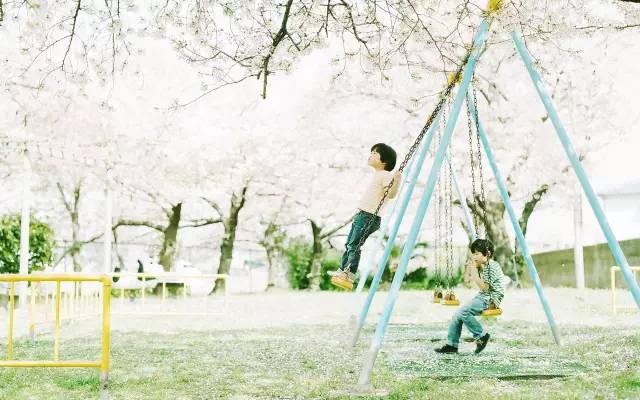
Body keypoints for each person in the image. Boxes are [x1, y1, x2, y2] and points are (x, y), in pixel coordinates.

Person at [328, 143, 402, 290]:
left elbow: (391, 194)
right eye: (372, 152)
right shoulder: (378, 175)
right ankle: (343, 270)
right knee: (349, 244)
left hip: (369, 216)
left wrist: (397, 180)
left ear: (384, 161)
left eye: (375, 153)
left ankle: (349, 273)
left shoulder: (386, 175)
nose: (371, 154)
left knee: (354, 244)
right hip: (363, 214)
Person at [434, 238, 504, 354]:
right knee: (457, 314)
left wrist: (474, 270)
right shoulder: (486, 266)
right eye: (473, 254)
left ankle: (481, 335)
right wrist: (471, 269)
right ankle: (452, 345)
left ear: (487, 254)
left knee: (463, 312)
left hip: (490, 300)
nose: (474, 257)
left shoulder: (491, 267)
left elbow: (485, 288)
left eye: (477, 254)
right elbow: (467, 281)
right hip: (483, 296)